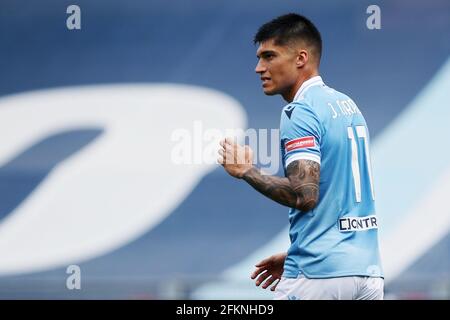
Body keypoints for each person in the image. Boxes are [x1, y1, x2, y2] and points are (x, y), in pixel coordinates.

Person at [218, 13, 384, 300]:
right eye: (259, 58)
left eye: (269, 56)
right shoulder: (347, 104)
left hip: (318, 272)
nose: (259, 68)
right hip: (367, 272)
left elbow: (304, 195)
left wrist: (247, 171)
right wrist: (296, 251)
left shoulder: (301, 111)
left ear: (300, 58)